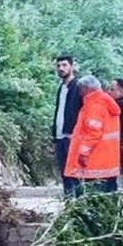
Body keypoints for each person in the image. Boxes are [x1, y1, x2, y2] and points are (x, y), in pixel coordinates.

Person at [64, 75, 122, 195]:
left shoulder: (94, 106)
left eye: (80, 90)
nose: (80, 94)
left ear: (86, 89)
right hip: (108, 162)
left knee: (95, 200)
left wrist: (83, 152)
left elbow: (93, 132)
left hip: (95, 163)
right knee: (109, 198)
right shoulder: (105, 102)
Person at [52, 55, 83, 198]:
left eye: (64, 65)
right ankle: (69, 202)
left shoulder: (77, 87)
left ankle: (78, 203)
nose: (61, 69)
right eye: (58, 66)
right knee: (64, 172)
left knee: (74, 172)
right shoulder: (62, 87)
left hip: (71, 136)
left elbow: (81, 111)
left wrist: (75, 132)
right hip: (59, 136)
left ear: (72, 66)